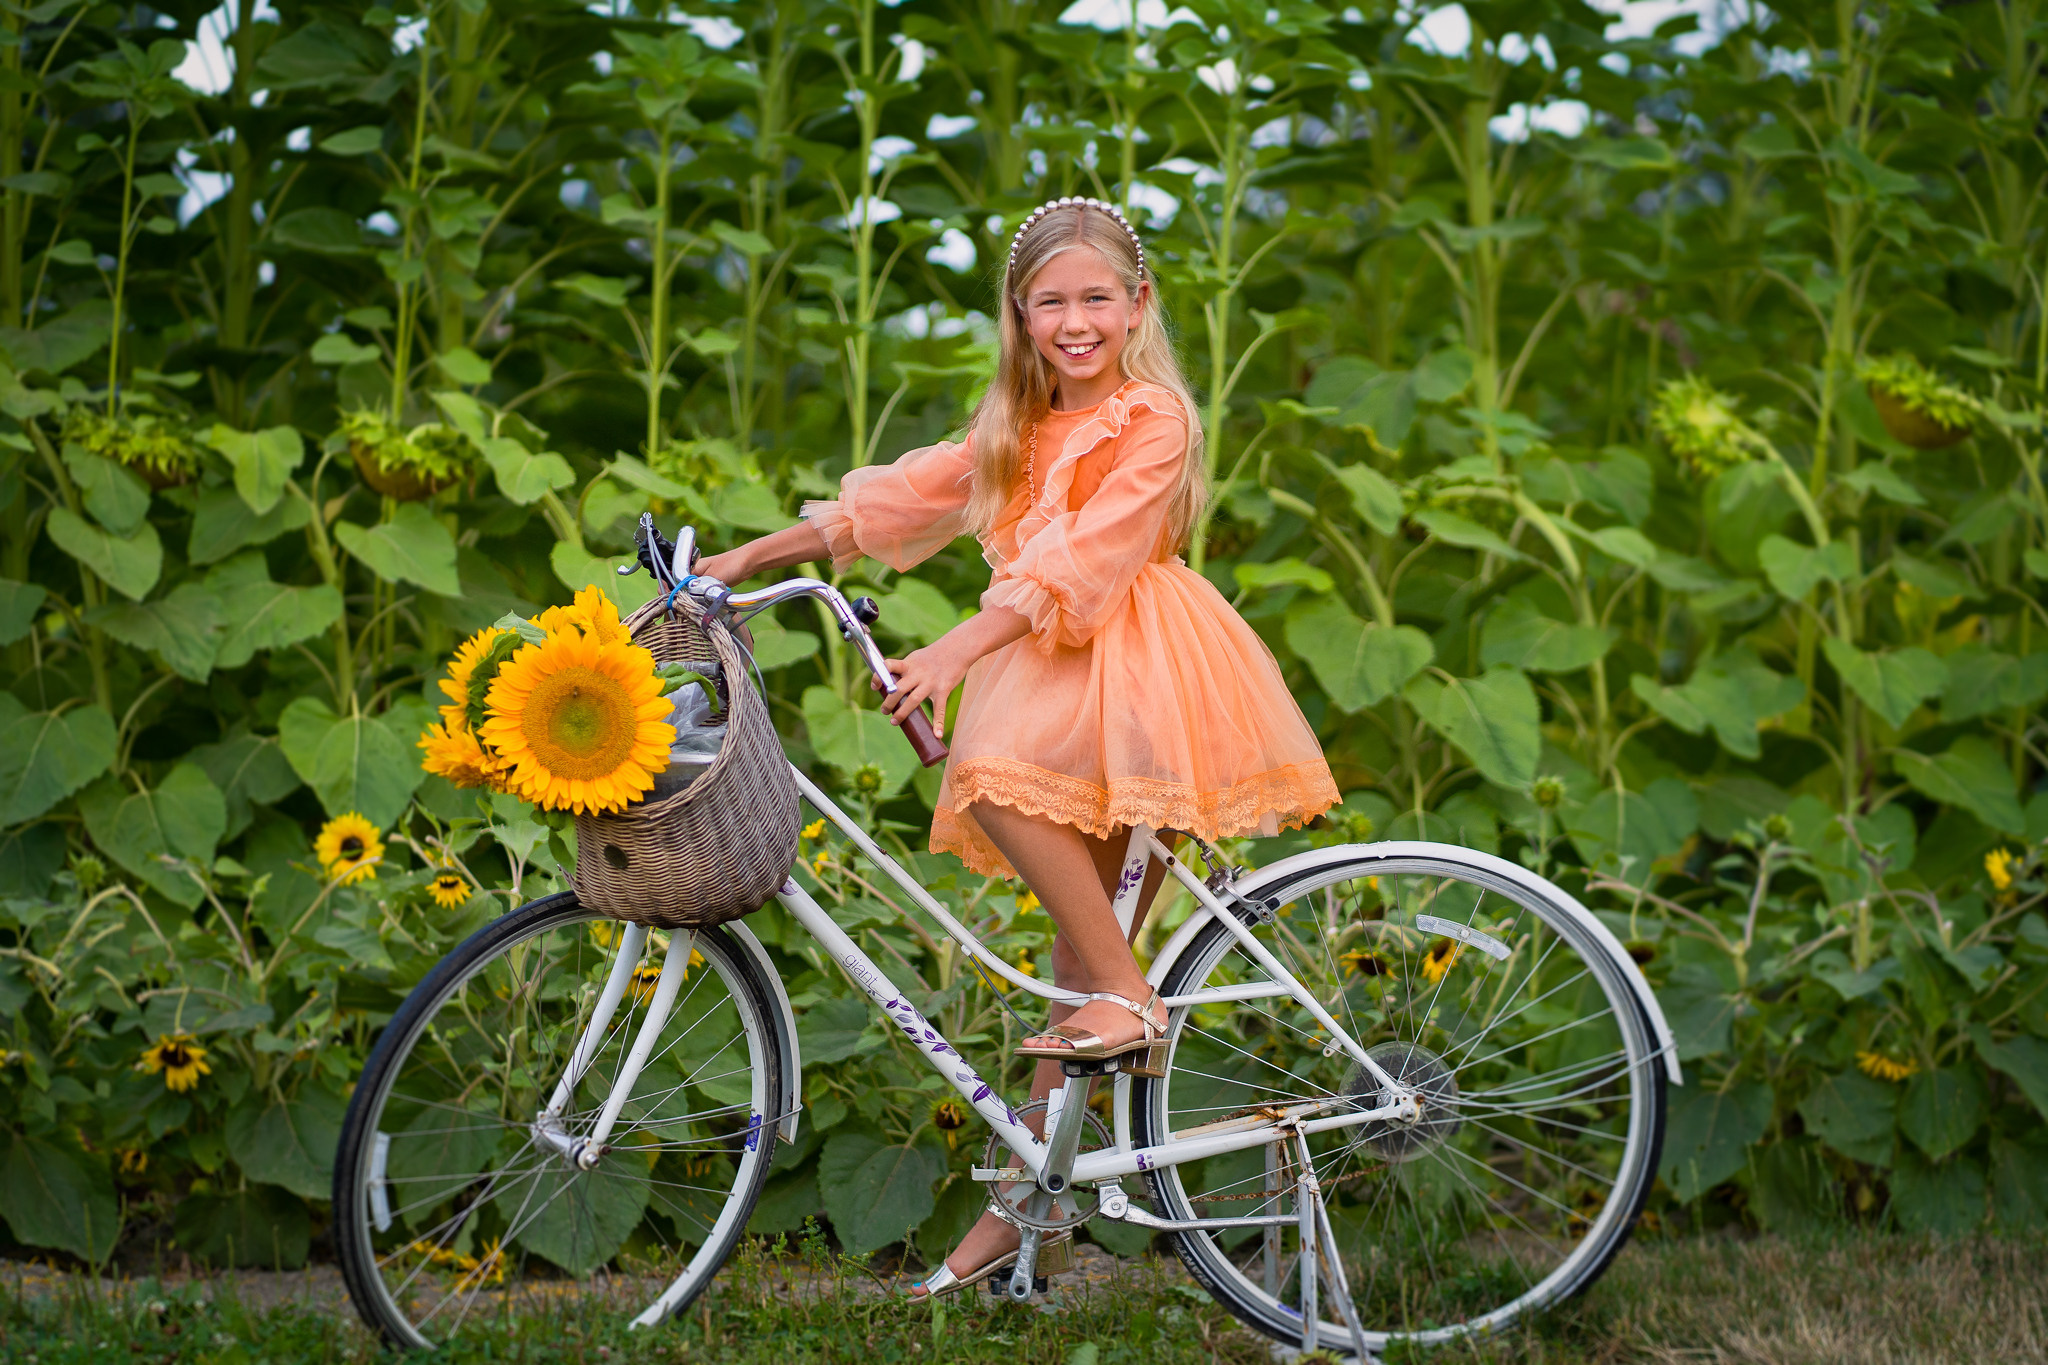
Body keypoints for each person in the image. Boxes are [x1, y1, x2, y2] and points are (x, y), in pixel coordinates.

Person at [692, 196, 1338, 1297]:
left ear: (1135, 307)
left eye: (1096, 298)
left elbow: (1084, 564)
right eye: (1051, 302)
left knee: (994, 783)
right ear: (1020, 315)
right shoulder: (1013, 425)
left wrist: (948, 652)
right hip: (1046, 660)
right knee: (1068, 979)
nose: (1074, 320)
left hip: (1135, 671)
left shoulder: (1151, 418)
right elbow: (892, 506)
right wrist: (744, 559)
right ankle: (1020, 1215)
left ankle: (1135, 1000)